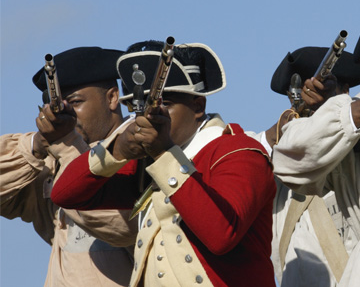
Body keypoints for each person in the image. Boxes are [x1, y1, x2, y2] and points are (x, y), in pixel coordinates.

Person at [51, 40, 277, 287]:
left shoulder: (239, 151)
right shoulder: (149, 163)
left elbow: (221, 235)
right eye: (140, 108)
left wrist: (165, 154)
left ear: (198, 106)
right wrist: (116, 150)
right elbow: (65, 195)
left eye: (164, 104)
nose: (150, 117)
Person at [0, 46, 138, 287]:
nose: (68, 116)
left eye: (75, 103)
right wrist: (37, 144)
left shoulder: (139, 151)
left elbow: (122, 227)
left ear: (112, 97)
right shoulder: (56, 157)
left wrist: (67, 146)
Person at [267, 46, 360, 287]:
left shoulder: (352, 128)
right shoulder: (277, 149)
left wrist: (334, 108)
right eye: (299, 93)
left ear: (346, 91)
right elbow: (292, 157)